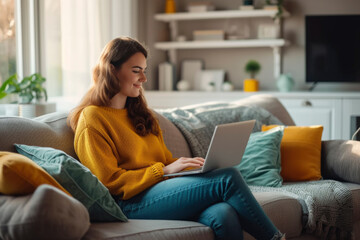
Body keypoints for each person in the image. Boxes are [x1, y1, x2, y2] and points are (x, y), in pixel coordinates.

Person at [67, 37, 285, 240]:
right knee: (227, 178)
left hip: (157, 191)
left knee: (224, 212)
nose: (143, 78)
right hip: (128, 203)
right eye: (136, 71)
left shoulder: (140, 113)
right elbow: (109, 182)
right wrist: (162, 171)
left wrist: (189, 166)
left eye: (144, 70)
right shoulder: (92, 118)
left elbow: (164, 158)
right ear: (112, 70)